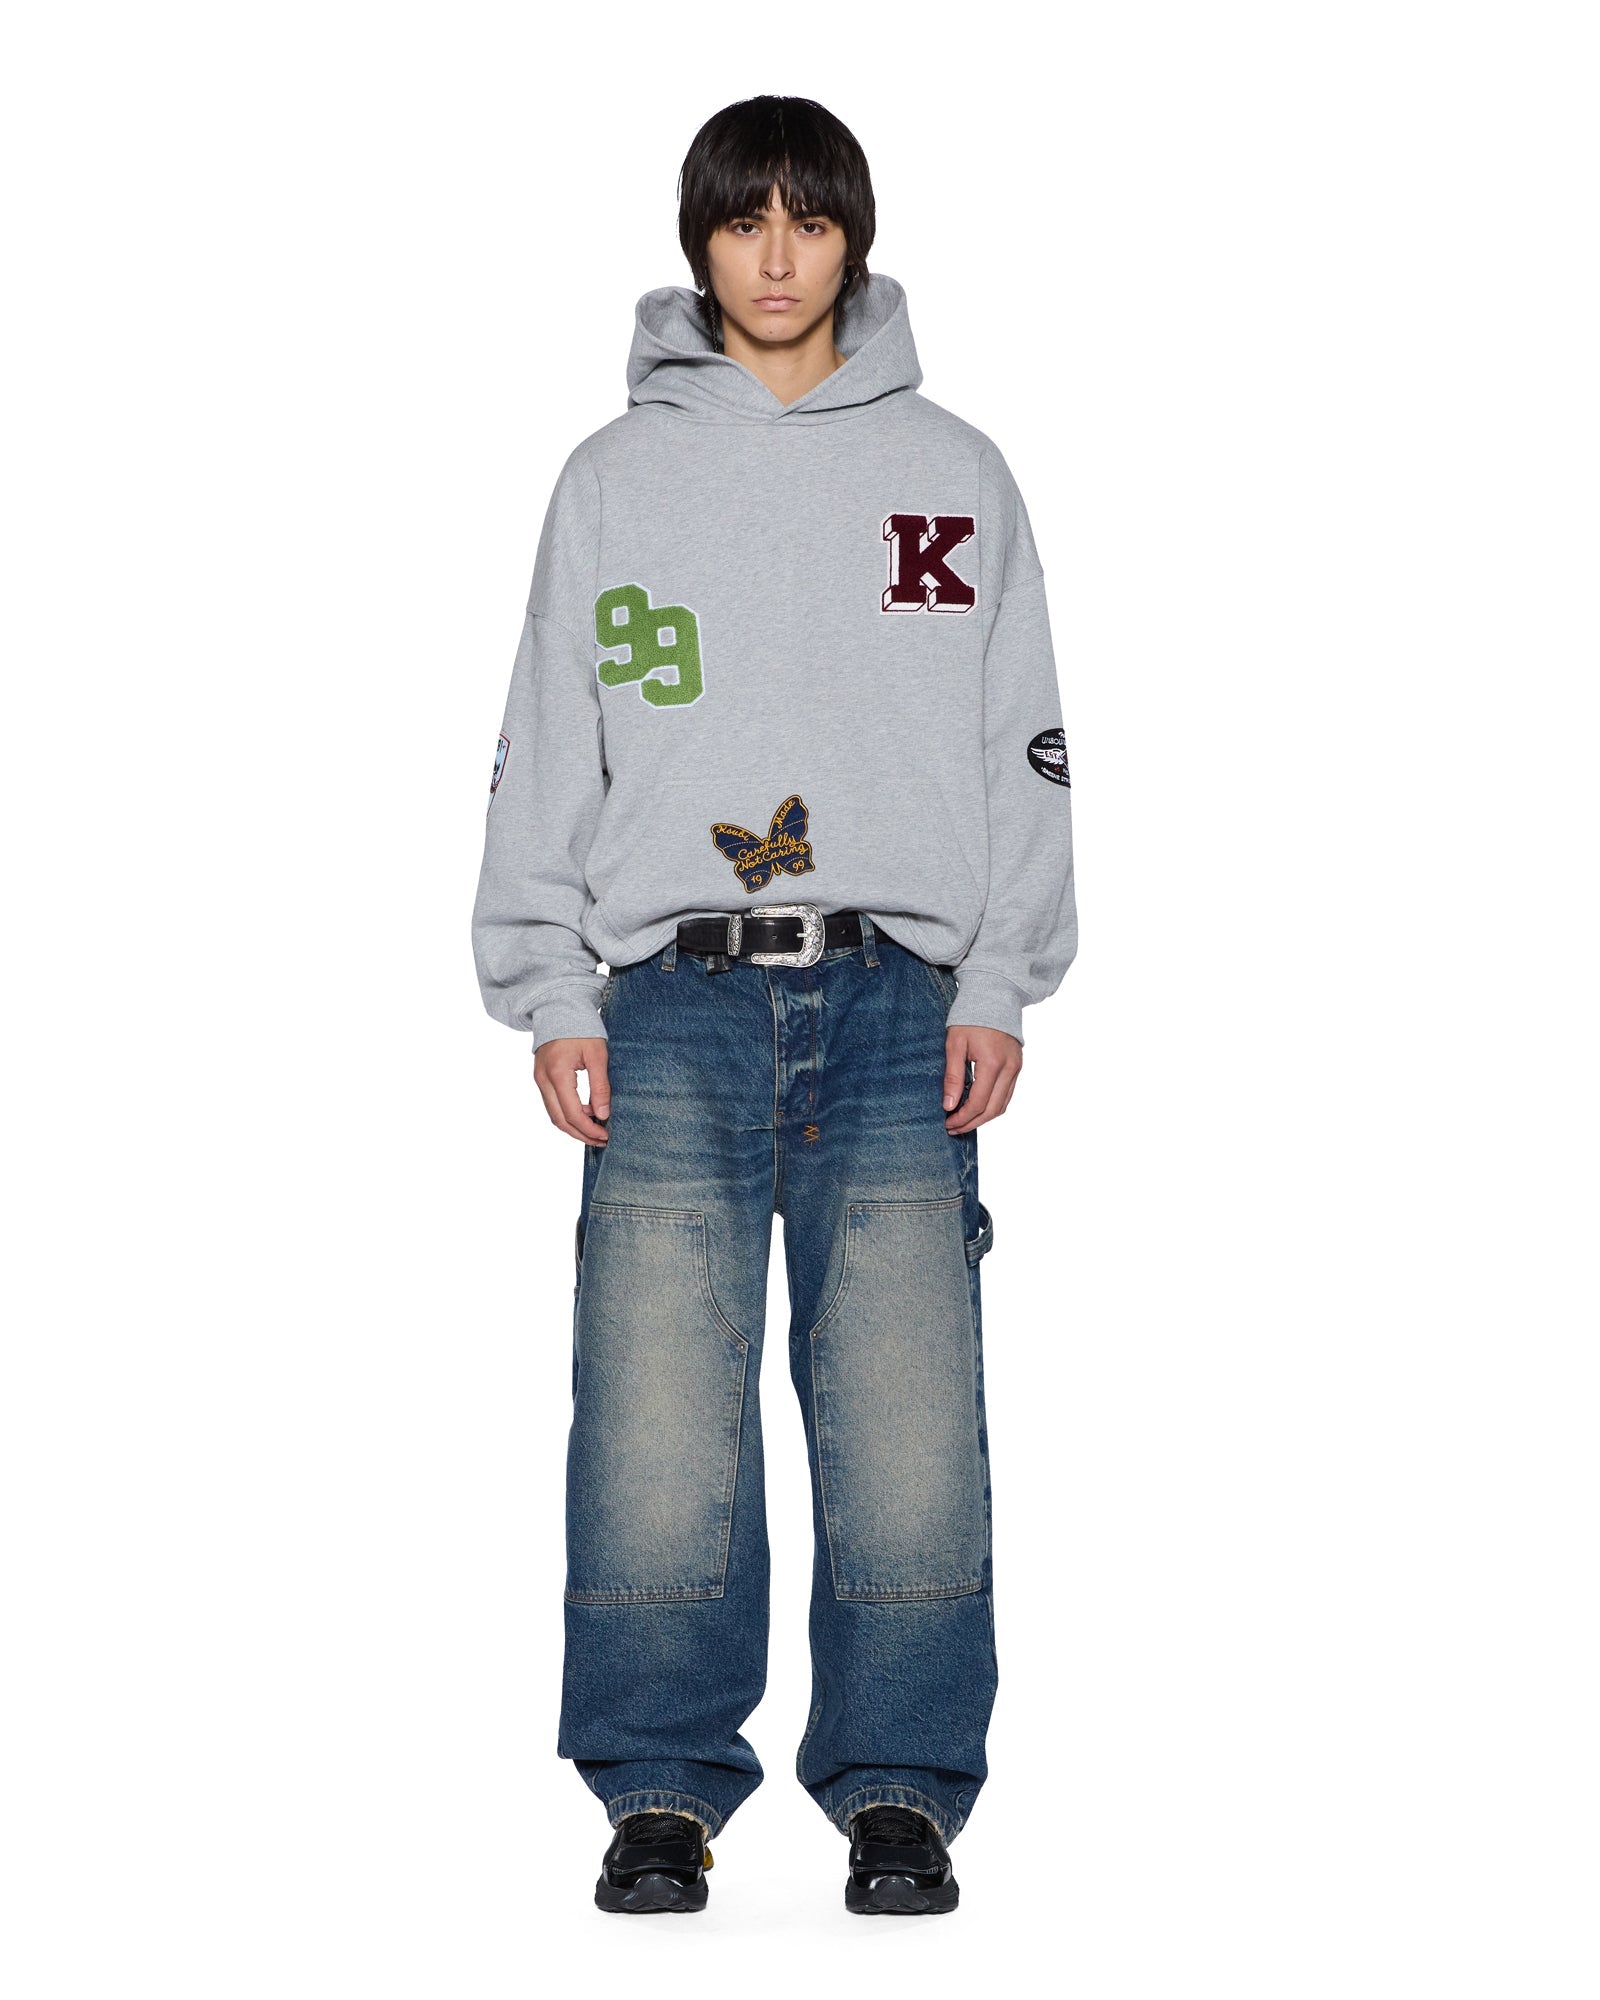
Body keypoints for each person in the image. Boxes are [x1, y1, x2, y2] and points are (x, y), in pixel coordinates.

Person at [472, 94, 1077, 1916]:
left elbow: (1024, 736)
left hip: (901, 997)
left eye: (812, 220)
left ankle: (900, 1784)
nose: (780, 255)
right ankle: (659, 1786)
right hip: (669, 1001)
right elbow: (550, 734)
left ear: (855, 240)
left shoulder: (956, 473)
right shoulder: (614, 480)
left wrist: (1002, 975)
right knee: (656, 1406)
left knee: (905, 1403)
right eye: (747, 221)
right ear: (702, 243)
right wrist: (551, 985)